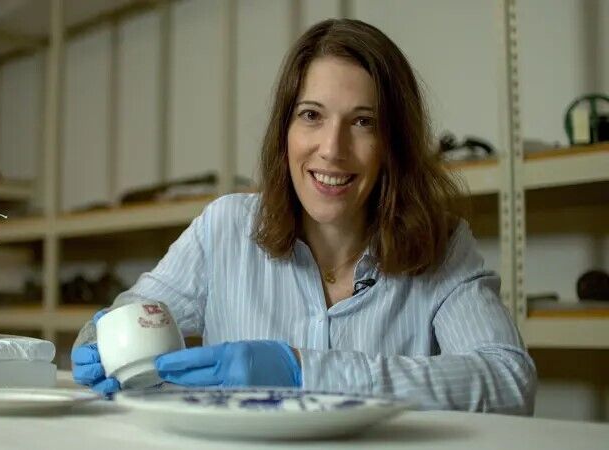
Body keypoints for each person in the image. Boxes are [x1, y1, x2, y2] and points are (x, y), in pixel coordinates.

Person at [72, 18, 536, 414]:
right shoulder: (225, 229)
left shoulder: (443, 244)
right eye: (311, 115)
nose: (332, 150)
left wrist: (302, 371)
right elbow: (131, 313)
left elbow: (509, 381)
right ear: (285, 131)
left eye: (363, 122)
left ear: (393, 144)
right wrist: (99, 340)